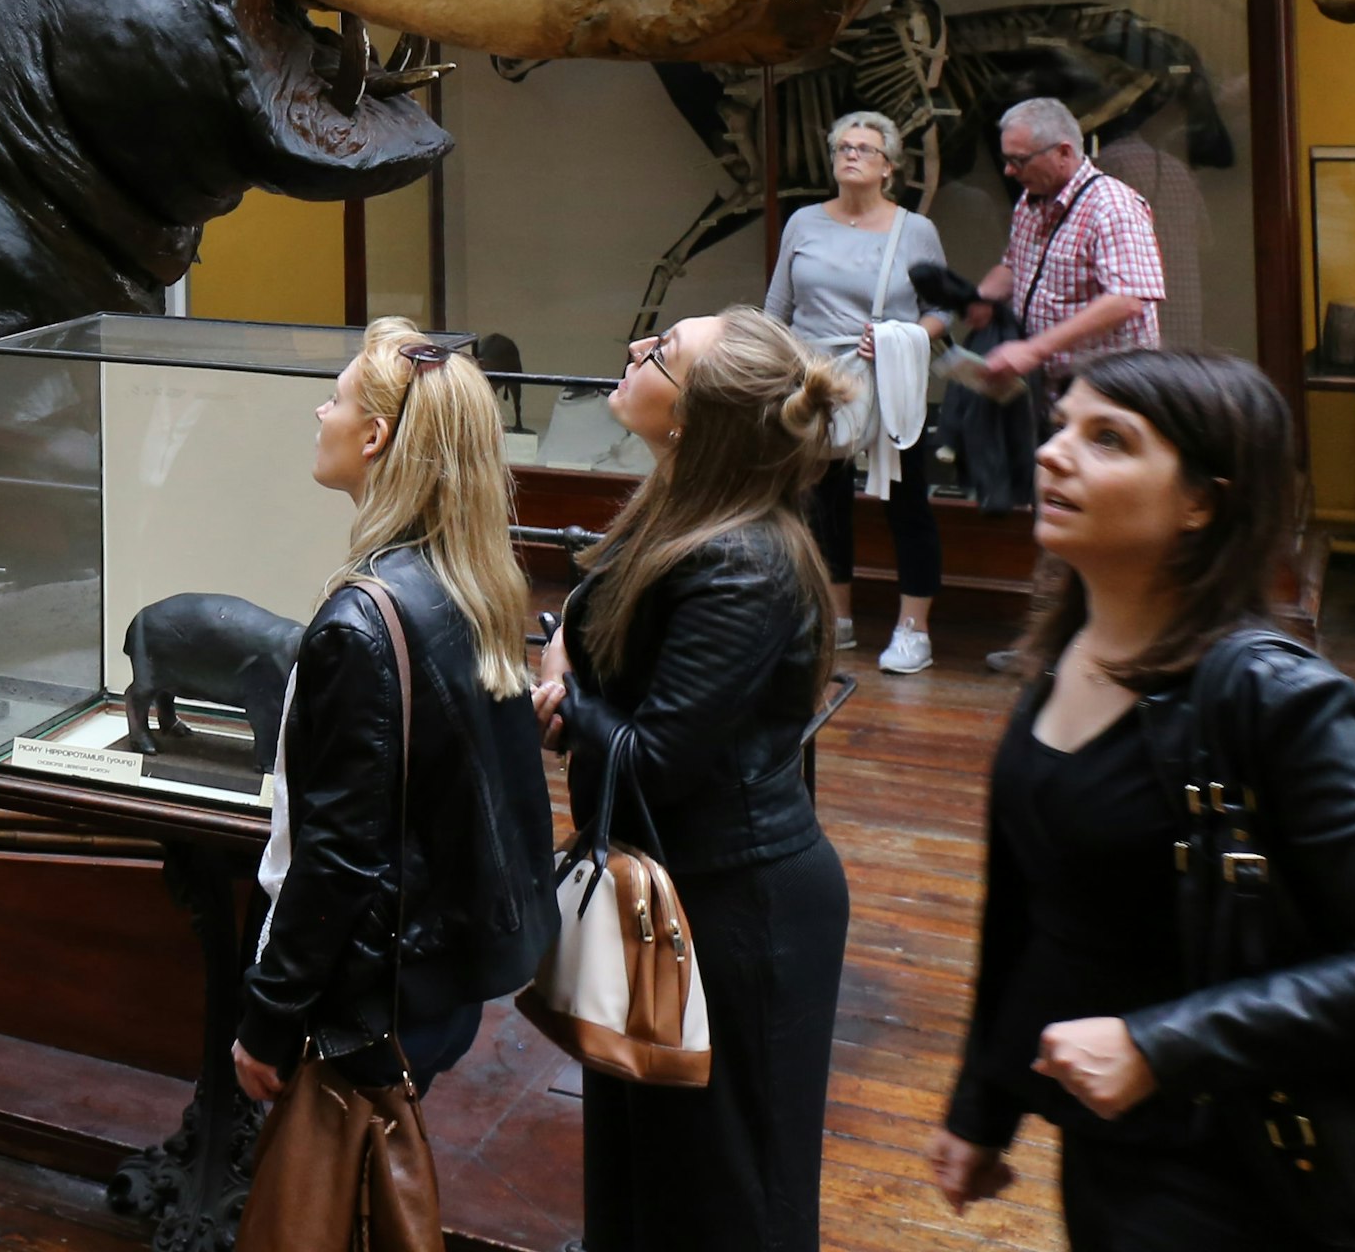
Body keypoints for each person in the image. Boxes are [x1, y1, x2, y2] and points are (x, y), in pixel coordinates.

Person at [929, 350, 1355, 1250]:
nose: (1053, 454)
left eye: (1108, 439)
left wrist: (1164, 1046)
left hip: (1254, 1165)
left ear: (1203, 502)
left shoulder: (1275, 697)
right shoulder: (1071, 654)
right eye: (1062, 426)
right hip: (1114, 1144)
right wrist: (983, 1106)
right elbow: (1034, 914)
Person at [534, 308, 850, 1252]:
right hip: (671, 889)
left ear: (696, 415)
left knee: (734, 1197)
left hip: (736, 911)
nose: (634, 349)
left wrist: (560, 695)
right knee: (651, 1177)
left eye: (662, 351)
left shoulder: (742, 557)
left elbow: (660, 763)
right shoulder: (685, 514)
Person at [229, 320, 551, 1116]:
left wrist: (269, 1017)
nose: (319, 414)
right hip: (442, 981)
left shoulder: (362, 622)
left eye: (333, 400)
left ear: (374, 436)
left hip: (371, 1001)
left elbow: (339, 854)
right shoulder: (474, 581)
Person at [768, 108, 953, 673]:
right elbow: (778, 309)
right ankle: (836, 617)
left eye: (864, 148)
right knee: (820, 504)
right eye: (842, 147)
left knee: (907, 504)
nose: (850, 154)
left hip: (887, 381)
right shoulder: (802, 222)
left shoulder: (914, 230)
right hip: (816, 384)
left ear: (888, 168)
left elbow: (942, 310)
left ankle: (913, 628)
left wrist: (903, 338)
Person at [979, 98, 1167, 383]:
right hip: (1050, 388)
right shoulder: (1031, 203)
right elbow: (1014, 267)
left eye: (1019, 160)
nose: (1009, 171)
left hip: (1107, 389)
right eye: (1006, 160)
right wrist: (977, 299)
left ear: (1063, 153)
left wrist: (1035, 349)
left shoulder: (1112, 206)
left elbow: (1127, 300)